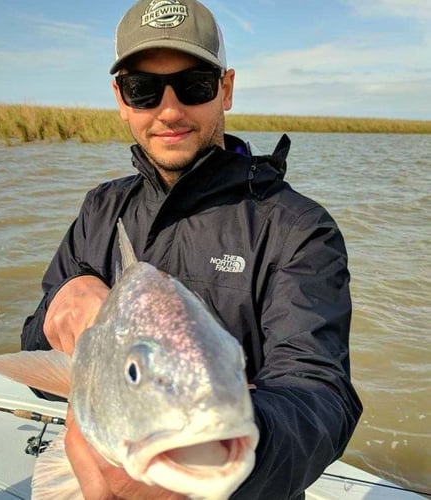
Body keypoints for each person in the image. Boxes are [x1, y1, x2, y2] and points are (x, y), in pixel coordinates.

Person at [21, 0, 363, 498]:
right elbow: (35, 355)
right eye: (143, 89)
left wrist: (230, 452)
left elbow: (321, 394)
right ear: (120, 97)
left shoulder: (297, 228)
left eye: (195, 85)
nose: (170, 110)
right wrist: (61, 306)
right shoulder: (102, 209)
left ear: (225, 89)